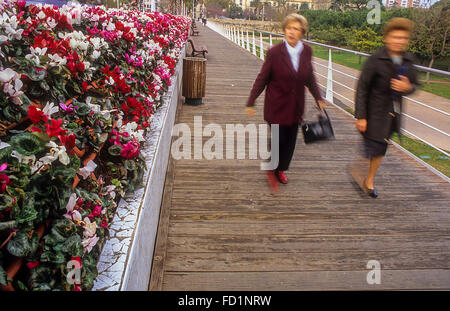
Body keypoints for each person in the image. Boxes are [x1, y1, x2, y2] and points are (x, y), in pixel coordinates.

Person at [246, 13, 325, 193]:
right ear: (284, 29)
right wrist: (251, 100)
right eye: (289, 28)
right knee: (278, 140)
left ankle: (281, 169)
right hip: (276, 105)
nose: (292, 32)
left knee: (290, 142)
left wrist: (318, 97)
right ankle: (271, 169)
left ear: (302, 33)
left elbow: (309, 77)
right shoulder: (274, 52)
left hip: (296, 106)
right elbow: (262, 78)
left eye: (296, 29)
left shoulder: (307, 51)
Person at [353, 17, 419, 198]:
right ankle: (366, 177)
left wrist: (408, 88)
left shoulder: (408, 60)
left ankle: (367, 178)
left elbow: (415, 84)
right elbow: (362, 87)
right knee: (375, 145)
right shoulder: (376, 59)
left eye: (403, 38)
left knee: (381, 146)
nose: (400, 41)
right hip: (374, 111)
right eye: (396, 37)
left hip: (393, 114)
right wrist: (361, 116)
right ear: (387, 38)